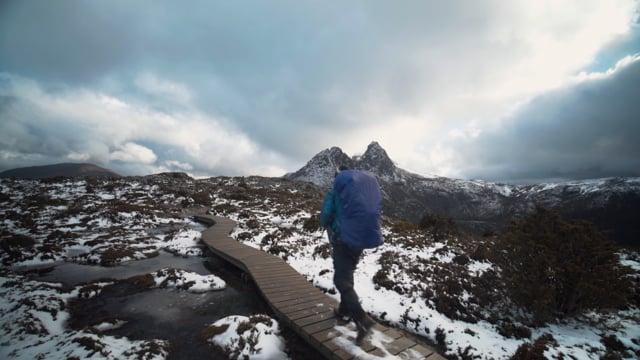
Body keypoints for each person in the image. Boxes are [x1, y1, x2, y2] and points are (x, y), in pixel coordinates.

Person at [320, 166, 380, 345]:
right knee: (348, 275)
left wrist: (323, 222)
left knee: (341, 281)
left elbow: (325, 215)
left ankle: (362, 321)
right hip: (358, 241)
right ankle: (344, 311)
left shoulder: (336, 193)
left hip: (342, 240)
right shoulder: (360, 194)